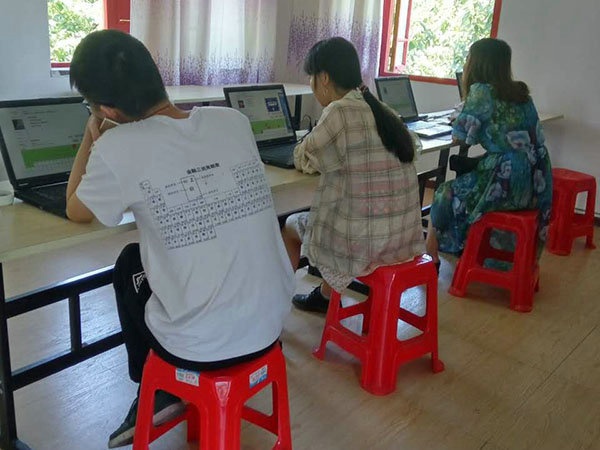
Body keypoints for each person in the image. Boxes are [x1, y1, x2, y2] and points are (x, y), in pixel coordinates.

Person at [66, 30, 294, 448]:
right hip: (271, 324)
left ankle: (155, 389)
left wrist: (91, 135)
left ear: (106, 109)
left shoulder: (118, 148)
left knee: (130, 264)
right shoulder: (232, 121)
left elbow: (75, 209)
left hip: (202, 347)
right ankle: (160, 391)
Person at [281, 37, 425, 313]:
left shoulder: (338, 110)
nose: (312, 85)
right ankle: (325, 295)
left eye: (311, 78)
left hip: (363, 245)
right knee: (347, 212)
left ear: (324, 78)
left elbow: (304, 158)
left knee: (289, 225)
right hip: (402, 239)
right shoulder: (382, 110)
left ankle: (278, 306)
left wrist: (305, 142)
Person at [426, 38, 552, 267]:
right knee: (466, 173)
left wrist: (460, 120)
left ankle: (431, 256)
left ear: (477, 63)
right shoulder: (521, 93)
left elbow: (461, 137)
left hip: (505, 181)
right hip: (536, 180)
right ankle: (475, 250)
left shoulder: (482, 92)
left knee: (444, 191)